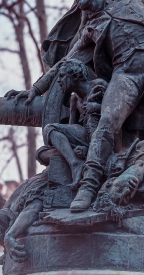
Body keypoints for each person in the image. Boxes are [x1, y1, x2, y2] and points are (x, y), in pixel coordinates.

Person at [14, 0, 144, 212]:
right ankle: (88, 186)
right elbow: (65, 62)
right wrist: (36, 89)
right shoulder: (90, 29)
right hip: (126, 75)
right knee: (106, 123)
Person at [40, 58, 107, 189]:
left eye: (62, 76)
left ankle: (79, 159)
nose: (58, 80)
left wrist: (97, 107)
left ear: (75, 75)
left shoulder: (99, 85)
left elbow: (116, 110)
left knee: (51, 128)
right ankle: (75, 163)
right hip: (84, 137)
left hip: (102, 136)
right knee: (42, 151)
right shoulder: (74, 100)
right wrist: (74, 148)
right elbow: (71, 128)